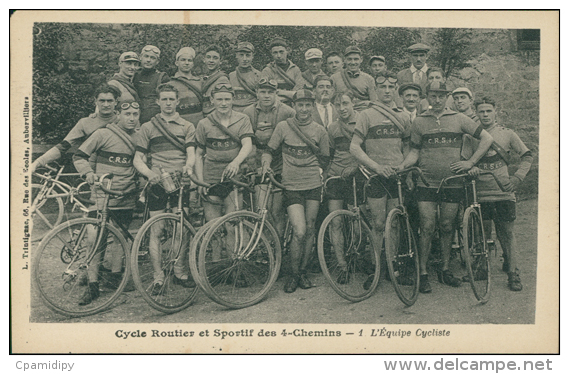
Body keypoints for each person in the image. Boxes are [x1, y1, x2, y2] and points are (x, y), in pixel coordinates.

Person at [397, 82, 494, 294]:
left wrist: (471, 162)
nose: (437, 100)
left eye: (441, 96)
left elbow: (487, 138)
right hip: (426, 181)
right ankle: (423, 273)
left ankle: (445, 269)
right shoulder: (419, 122)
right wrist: (403, 166)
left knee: (448, 225)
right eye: (433, 95)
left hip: (452, 182)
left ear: (446, 96)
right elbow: (414, 152)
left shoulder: (459, 119)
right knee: (427, 226)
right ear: (427, 97)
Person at [72, 101, 140, 305]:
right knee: (95, 239)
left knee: (122, 239)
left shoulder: (139, 136)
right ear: (117, 114)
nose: (131, 117)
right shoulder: (102, 134)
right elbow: (78, 156)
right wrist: (89, 174)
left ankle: (115, 277)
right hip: (101, 196)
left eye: (135, 114)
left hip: (125, 196)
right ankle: (93, 285)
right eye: (127, 113)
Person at [262, 90, 330, 293]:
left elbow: (325, 158)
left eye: (308, 105)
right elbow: (269, 151)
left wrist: (320, 174)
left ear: (312, 106)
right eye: (300, 105)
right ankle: (292, 274)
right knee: (299, 231)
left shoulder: (320, 131)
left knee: (310, 229)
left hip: (312, 185)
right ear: (294, 106)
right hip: (291, 186)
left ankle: (302, 272)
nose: (304, 109)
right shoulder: (283, 127)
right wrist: (265, 165)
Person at [463, 97, 533, 291]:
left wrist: (517, 178)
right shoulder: (470, 136)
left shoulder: (507, 134)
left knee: (507, 234)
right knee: (482, 233)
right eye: (481, 111)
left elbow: (527, 155)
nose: (485, 115)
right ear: (476, 113)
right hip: (480, 193)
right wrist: (471, 169)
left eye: (488, 111)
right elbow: (465, 161)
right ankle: (482, 268)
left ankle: (513, 272)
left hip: (503, 193)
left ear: (495, 111)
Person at [349, 71, 412, 289]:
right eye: (382, 86)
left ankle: (393, 267)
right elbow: (354, 146)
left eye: (391, 87)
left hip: (397, 176)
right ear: (376, 88)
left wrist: (403, 166)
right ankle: (377, 269)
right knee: (377, 223)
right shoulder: (366, 115)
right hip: (375, 176)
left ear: (396, 89)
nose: (387, 91)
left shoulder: (403, 116)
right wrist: (376, 167)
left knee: (394, 223)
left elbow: (409, 147)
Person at [133, 84, 196, 291]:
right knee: (156, 230)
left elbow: (191, 153)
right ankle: (159, 277)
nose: (168, 103)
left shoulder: (187, 126)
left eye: (172, 99)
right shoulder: (147, 127)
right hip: (157, 183)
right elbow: (138, 159)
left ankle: (180, 272)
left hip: (180, 182)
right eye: (164, 99)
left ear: (177, 102)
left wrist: (189, 166)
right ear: (158, 102)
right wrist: (149, 174)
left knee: (182, 228)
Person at [194, 83, 254, 260]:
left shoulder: (242, 119)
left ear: (233, 100)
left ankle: (233, 264)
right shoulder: (204, 123)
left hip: (233, 178)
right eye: (219, 99)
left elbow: (247, 144)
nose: (223, 103)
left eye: (227, 99)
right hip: (211, 176)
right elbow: (198, 154)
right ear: (212, 100)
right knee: (213, 225)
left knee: (232, 223)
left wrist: (236, 162)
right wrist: (200, 181)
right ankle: (216, 265)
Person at [243, 78, 296, 237]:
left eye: (270, 92)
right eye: (263, 92)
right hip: (259, 163)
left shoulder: (287, 112)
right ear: (257, 93)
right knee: (261, 208)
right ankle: (264, 245)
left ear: (276, 93)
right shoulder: (248, 112)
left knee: (276, 210)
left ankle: (277, 245)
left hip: (281, 163)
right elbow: (247, 140)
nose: (266, 96)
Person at [31, 84, 121, 173]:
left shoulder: (124, 121)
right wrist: (37, 163)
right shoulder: (85, 123)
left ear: (116, 102)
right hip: (93, 172)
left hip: (121, 170)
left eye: (110, 101)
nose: (106, 104)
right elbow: (63, 146)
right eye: (102, 101)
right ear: (95, 101)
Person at [325, 91, 361, 283]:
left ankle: (357, 254)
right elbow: (330, 154)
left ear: (353, 103)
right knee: (336, 221)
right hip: (336, 177)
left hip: (358, 176)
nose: (342, 108)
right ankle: (342, 265)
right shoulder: (332, 128)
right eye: (338, 105)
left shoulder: (363, 123)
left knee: (358, 222)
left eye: (346, 103)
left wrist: (356, 167)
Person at [260, 37, 306, 106]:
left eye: (281, 52)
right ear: (271, 54)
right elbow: (265, 92)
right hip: (274, 105)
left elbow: (298, 91)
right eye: (275, 53)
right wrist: (289, 94)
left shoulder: (295, 69)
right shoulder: (268, 70)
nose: (278, 56)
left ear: (287, 51)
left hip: (292, 104)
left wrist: (279, 92)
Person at [331, 46, 378, 112]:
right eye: (349, 59)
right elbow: (330, 102)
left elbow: (374, 103)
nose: (353, 63)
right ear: (345, 60)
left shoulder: (369, 79)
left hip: (362, 115)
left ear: (361, 59)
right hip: (342, 114)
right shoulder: (334, 78)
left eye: (356, 59)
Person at [133, 45, 170, 124]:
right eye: (146, 56)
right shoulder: (133, 75)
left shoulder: (162, 77)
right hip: (134, 118)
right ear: (140, 57)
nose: (148, 60)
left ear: (157, 61)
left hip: (155, 120)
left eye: (153, 58)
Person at [168, 47, 204, 126]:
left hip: (199, 122)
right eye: (183, 60)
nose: (186, 63)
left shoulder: (200, 82)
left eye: (189, 60)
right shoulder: (170, 84)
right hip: (178, 123)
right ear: (177, 63)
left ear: (193, 64)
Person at [229, 42, 261, 112]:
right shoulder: (231, 76)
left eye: (248, 55)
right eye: (241, 55)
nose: (244, 59)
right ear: (236, 56)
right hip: (234, 112)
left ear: (252, 56)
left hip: (252, 112)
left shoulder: (258, 75)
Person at [201, 45, 230, 116]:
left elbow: (224, 104)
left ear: (220, 61)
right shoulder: (202, 78)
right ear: (204, 59)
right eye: (208, 57)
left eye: (215, 58)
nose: (211, 61)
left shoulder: (222, 79)